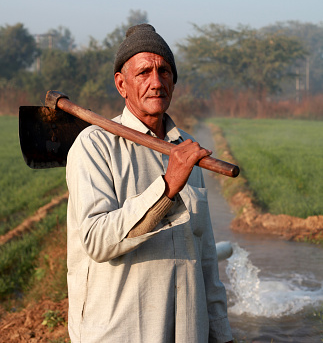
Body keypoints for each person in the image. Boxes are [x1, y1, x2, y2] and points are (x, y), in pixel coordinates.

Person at [66, 24, 233, 343]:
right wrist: (168, 186)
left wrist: (221, 333)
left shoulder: (188, 149)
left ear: (174, 80)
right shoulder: (94, 146)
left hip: (187, 330)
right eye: (143, 72)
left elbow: (206, 256)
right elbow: (98, 240)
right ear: (121, 84)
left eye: (164, 71)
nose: (156, 82)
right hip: (121, 331)